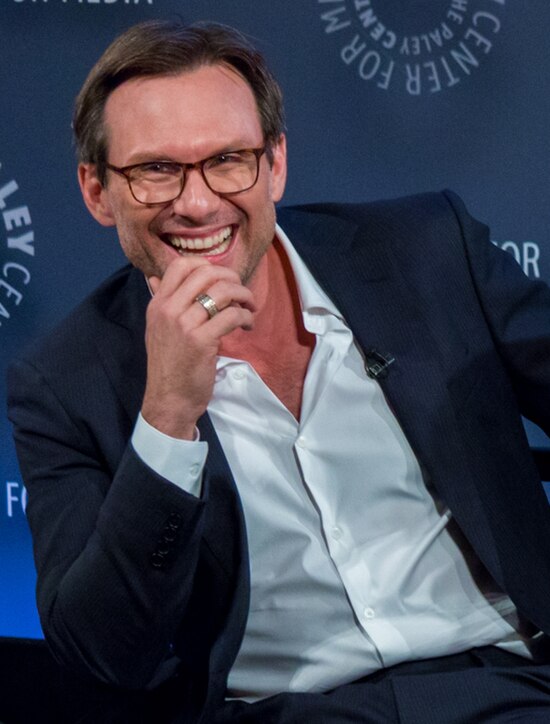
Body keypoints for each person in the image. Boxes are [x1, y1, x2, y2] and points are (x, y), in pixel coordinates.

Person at [7, 18, 550, 724]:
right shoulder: (62, 385)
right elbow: (105, 654)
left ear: (276, 164)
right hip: (285, 713)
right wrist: (166, 419)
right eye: (155, 171)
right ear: (96, 190)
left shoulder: (427, 249)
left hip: (507, 687)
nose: (197, 202)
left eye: (228, 159)